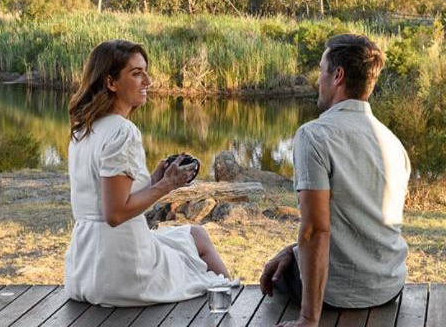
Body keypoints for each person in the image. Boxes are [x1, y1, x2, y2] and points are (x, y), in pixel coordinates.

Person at [64, 39, 231, 306]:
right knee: (199, 249)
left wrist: (154, 179)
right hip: (125, 270)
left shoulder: (83, 130)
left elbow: (106, 199)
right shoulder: (122, 131)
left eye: (145, 72)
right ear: (111, 82)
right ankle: (229, 303)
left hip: (83, 271)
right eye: (136, 73)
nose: (148, 81)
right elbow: (115, 214)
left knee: (194, 235)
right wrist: (166, 185)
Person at [260, 33, 411, 327]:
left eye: (321, 71)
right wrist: (293, 251)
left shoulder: (314, 136)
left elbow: (316, 229)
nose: (318, 81)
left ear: (338, 76)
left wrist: (308, 319)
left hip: (335, 294)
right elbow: (360, 223)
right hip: (388, 288)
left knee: (274, 280)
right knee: (287, 261)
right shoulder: (392, 142)